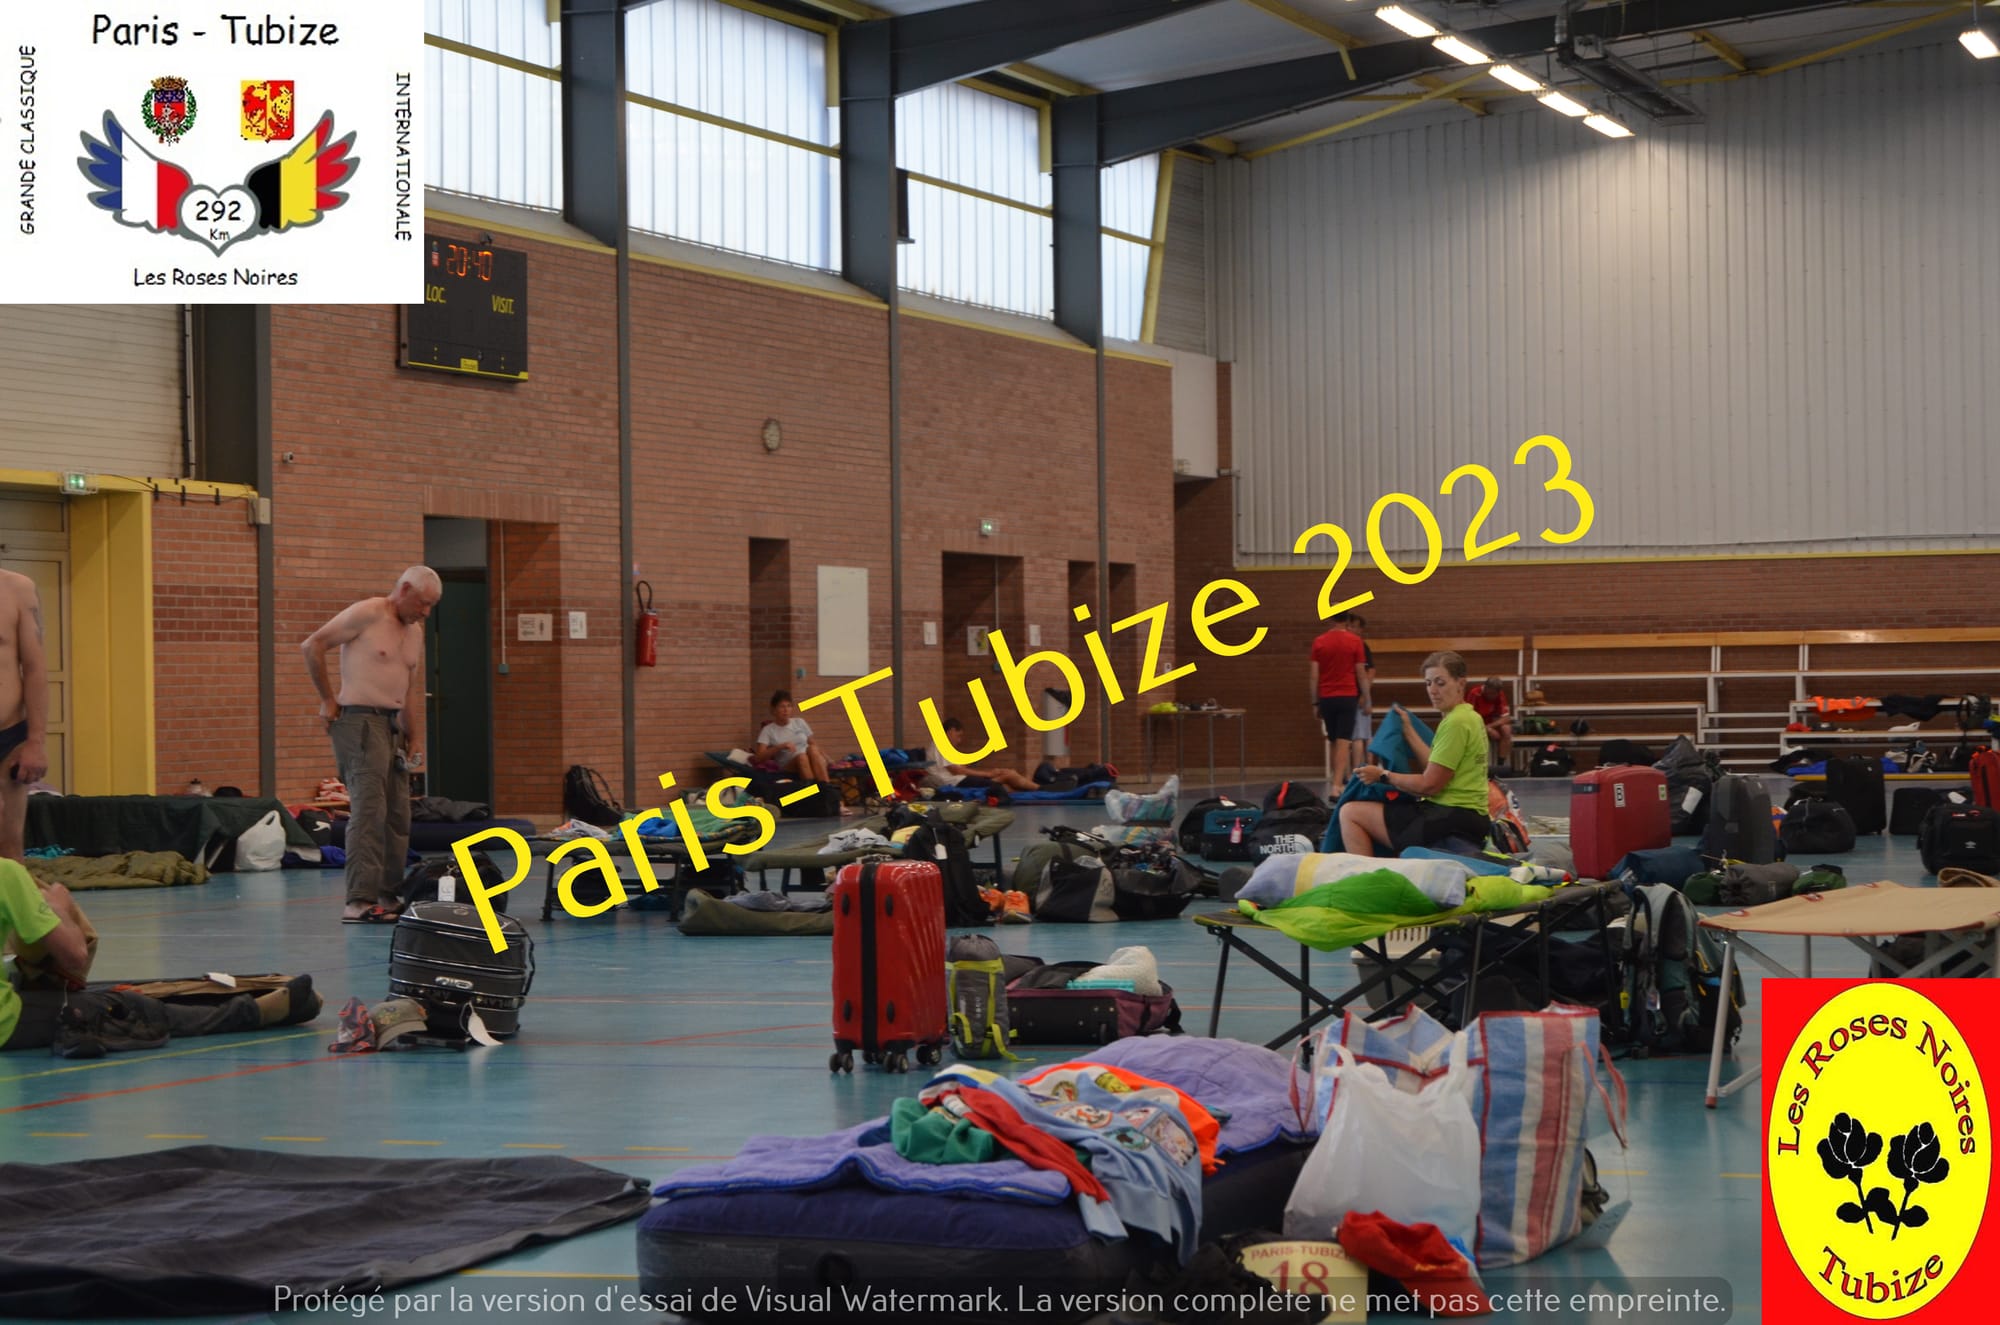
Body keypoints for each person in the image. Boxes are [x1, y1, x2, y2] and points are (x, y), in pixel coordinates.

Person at [301, 566, 440, 924]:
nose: (426, 612)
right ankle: (358, 901)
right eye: (422, 603)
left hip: (392, 727)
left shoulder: (415, 633)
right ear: (404, 589)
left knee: (398, 816)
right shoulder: (367, 613)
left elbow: (408, 689)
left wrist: (414, 735)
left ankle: (387, 895)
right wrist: (327, 699)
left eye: (431, 606)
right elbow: (312, 645)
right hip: (359, 722)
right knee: (369, 812)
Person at [1337, 651, 1493, 856]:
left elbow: (1430, 785)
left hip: (1451, 817)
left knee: (1350, 813)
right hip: (1469, 816)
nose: (1433, 690)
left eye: (1440, 683)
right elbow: (1435, 767)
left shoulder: (1456, 723)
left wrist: (1383, 775)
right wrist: (1409, 731)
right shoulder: (1469, 716)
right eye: (1428, 683)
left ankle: (1368, 873)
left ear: (1460, 683)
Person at [0, 861, 91, 1051]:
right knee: (137, 1008)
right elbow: (75, 956)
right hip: (4, 1024)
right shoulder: (6, 872)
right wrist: (57, 907)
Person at [0, 568, 51, 862]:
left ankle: (15, 893)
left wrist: (35, 742)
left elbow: (35, 669)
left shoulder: (16, 589)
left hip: (8, 737)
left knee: (9, 844)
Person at [1310, 611, 1369, 796]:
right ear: (1347, 620)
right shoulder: (1355, 641)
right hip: (1347, 695)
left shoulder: (1319, 642)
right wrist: (1366, 697)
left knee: (1334, 739)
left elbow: (1314, 676)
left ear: (1330, 618)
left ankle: (1336, 779)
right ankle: (1337, 785)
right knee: (1344, 740)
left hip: (1327, 696)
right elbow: (1361, 674)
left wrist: (1315, 702)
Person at [922, 718, 1038, 793]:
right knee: (1005, 778)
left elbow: (957, 768)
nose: (959, 740)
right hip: (955, 782)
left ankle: (1037, 788)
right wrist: (987, 774)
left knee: (1007, 774)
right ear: (951, 731)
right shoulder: (941, 745)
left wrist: (988, 771)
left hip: (959, 779)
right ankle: (1039, 789)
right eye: (958, 736)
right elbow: (956, 770)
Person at [754, 691, 832, 784]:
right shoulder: (768, 730)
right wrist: (781, 746)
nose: (786, 710)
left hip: (810, 757)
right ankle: (816, 789)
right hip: (789, 763)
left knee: (812, 749)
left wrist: (828, 759)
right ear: (774, 710)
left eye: (789, 706)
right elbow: (759, 757)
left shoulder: (799, 722)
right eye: (782, 707)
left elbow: (812, 742)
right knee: (802, 757)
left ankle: (826, 787)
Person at [1347, 614, 1377, 774]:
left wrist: (1366, 695)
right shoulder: (1347, 646)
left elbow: (1370, 671)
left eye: (1353, 627)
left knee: (1361, 736)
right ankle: (1355, 770)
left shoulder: (1361, 646)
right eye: (1348, 626)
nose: (1350, 629)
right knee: (1355, 736)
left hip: (1360, 694)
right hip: (1349, 694)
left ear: (1360, 630)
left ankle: (1358, 770)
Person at [1467, 676, 1514, 768]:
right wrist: (1485, 729)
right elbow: (1468, 717)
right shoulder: (1474, 693)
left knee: (1506, 729)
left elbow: (1506, 718)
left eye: (1494, 694)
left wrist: (1489, 727)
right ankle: (1479, 766)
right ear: (1485, 688)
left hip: (1490, 724)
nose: (1492, 696)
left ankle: (1500, 765)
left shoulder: (1499, 694)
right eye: (1490, 693)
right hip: (1476, 724)